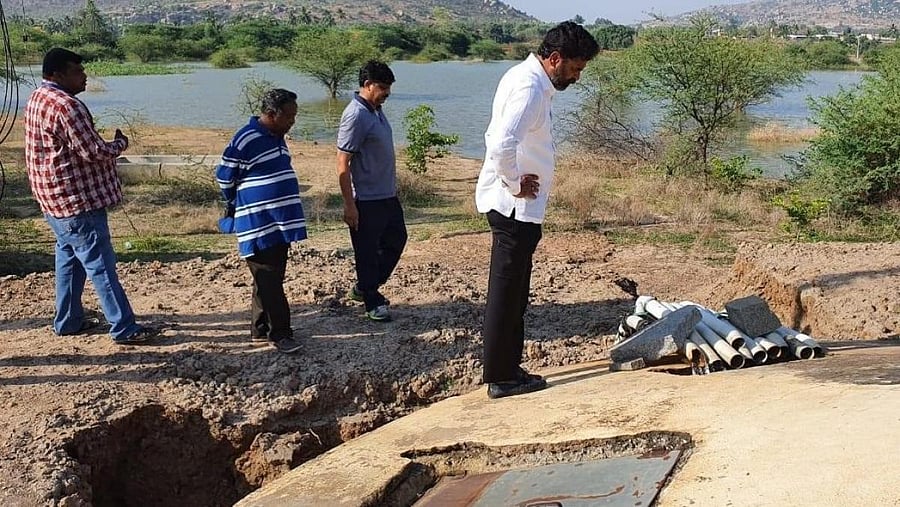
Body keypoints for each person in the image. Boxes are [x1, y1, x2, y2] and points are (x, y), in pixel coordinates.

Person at [475, 22, 600, 399]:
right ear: (555, 58)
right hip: (513, 207)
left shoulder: (529, 80)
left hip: (520, 209)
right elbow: (501, 144)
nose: (577, 77)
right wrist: (514, 184)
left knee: (515, 292)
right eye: (575, 69)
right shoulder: (529, 87)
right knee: (506, 293)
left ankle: (508, 369)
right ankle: (501, 377)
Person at [24, 48, 159, 345]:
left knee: (69, 261)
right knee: (100, 266)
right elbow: (94, 151)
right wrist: (119, 144)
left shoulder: (37, 97)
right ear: (57, 74)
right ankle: (125, 328)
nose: (84, 77)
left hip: (53, 200)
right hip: (77, 202)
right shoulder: (67, 106)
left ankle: (68, 321)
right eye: (77, 71)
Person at [215, 89, 307, 354]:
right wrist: (237, 202)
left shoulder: (277, 137)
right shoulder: (246, 138)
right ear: (271, 114)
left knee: (269, 277)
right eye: (288, 116)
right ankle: (281, 333)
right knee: (269, 277)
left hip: (279, 222)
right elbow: (224, 176)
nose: (292, 122)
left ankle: (259, 329)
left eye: (294, 116)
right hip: (258, 221)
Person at [336, 60, 407, 322]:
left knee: (397, 239)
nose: (387, 93)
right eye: (383, 87)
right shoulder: (355, 115)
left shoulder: (375, 109)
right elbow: (342, 161)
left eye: (389, 88)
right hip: (365, 198)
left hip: (387, 194)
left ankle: (365, 286)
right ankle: (372, 301)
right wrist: (349, 205)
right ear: (367, 85)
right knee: (366, 251)